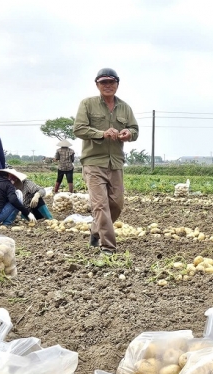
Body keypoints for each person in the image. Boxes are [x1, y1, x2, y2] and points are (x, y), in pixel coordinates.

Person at [73, 68, 138, 256]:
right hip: (94, 162)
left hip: (116, 162)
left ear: (117, 84)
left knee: (116, 204)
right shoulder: (87, 104)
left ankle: (95, 230)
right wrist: (101, 134)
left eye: (111, 82)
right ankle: (107, 247)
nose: (108, 85)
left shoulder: (125, 107)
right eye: (103, 82)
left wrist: (129, 134)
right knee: (100, 205)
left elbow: (134, 129)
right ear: (97, 85)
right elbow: (79, 129)